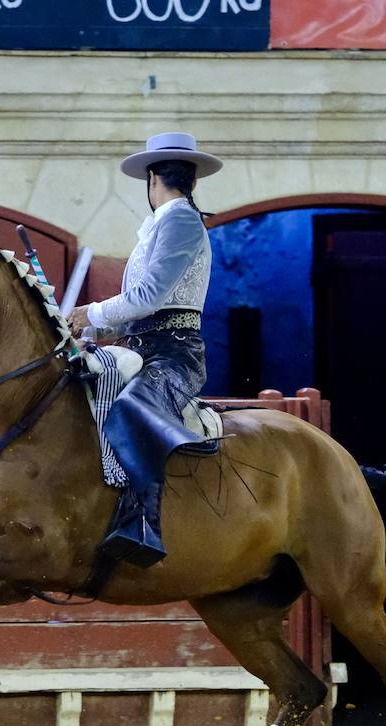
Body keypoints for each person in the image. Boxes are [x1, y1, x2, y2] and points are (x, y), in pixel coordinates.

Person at [68, 131, 221, 567]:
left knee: (133, 408)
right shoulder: (169, 223)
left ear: (153, 178)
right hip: (144, 346)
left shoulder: (179, 221)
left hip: (174, 354)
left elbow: (149, 297)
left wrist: (91, 314)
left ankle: (143, 524)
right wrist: (95, 332)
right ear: (192, 179)